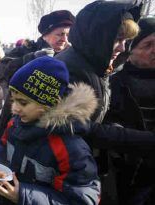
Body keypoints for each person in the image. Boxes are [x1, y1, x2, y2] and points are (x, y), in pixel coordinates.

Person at [54, 1, 153, 204]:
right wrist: (143, 140)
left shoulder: (95, 65)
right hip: (62, 172)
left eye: (127, 41)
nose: (123, 47)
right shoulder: (71, 69)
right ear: (98, 34)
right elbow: (75, 127)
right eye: (118, 39)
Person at [0, 56, 101, 205]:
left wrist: (24, 196)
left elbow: (83, 200)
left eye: (23, 102)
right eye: (13, 100)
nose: (15, 109)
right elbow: (5, 144)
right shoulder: (15, 124)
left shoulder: (70, 148)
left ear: (50, 102)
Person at [0, 10, 75, 144]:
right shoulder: (28, 49)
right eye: (60, 34)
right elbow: (0, 71)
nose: (64, 39)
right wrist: (31, 59)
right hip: (17, 119)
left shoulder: (71, 58)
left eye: (68, 34)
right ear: (45, 35)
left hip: (50, 129)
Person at [103, 17, 155, 205]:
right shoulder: (113, 84)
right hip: (120, 178)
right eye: (147, 45)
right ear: (131, 49)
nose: (154, 51)